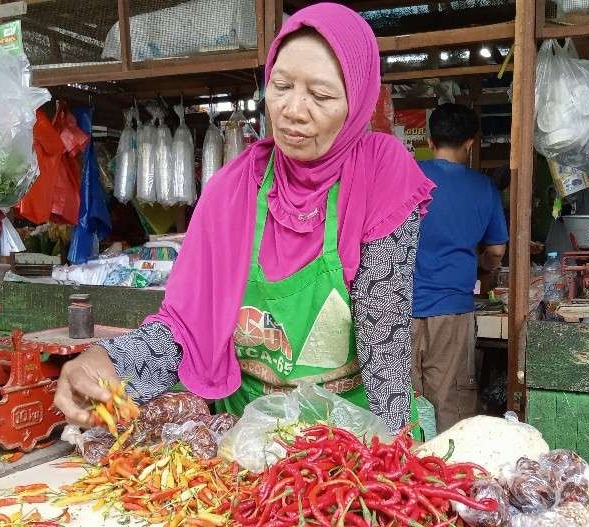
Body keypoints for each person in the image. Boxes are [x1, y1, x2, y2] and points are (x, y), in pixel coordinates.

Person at [53, 4, 435, 435]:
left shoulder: (381, 174)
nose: (293, 109)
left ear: (357, 100)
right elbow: (185, 330)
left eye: (321, 95)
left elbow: (384, 330)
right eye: (281, 85)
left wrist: (392, 457)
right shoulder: (231, 189)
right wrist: (111, 360)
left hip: (349, 435)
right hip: (244, 435)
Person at [412, 104, 508, 432]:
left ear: (429, 139)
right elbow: (496, 251)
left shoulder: (406, 177)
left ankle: (401, 473)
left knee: (402, 404)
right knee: (449, 405)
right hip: (451, 312)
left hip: (397, 308)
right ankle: (446, 474)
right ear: (470, 143)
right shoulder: (483, 188)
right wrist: (483, 267)